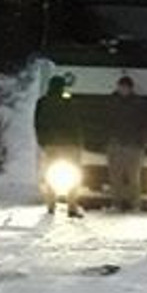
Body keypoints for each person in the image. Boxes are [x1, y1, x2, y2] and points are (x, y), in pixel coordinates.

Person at [35, 77, 84, 218]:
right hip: (70, 144)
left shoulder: (42, 102)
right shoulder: (68, 102)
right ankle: (72, 207)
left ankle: (51, 205)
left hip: (50, 144)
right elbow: (76, 124)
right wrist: (80, 143)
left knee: (50, 174)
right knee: (75, 175)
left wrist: (42, 141)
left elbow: (37, 123)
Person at [105, 76, 146, 211]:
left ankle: (135, 204)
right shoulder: (111, 102)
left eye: (125, 87)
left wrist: (142, 141)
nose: (123, 89)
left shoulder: (138, 104)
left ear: (130, 88)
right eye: (121, 87)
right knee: (115, 176)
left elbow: (143, 125)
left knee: (133, 177)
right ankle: (116, 203)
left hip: (133, 144)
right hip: (115, 143)